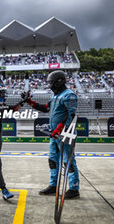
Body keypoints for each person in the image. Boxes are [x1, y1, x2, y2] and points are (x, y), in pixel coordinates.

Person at [21, 70, 80, 199]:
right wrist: (30, 102)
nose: (50, 86)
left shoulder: (69, 95)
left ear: (59, 82)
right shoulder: (55, 96)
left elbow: (71, 115)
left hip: (65, 134)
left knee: (68, 161)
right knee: (52, 160)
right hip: (54, 135)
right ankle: (53, 185)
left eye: (51, 83)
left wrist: (59, 129)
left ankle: (74, 188)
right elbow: (46, 108)